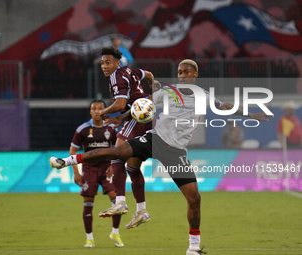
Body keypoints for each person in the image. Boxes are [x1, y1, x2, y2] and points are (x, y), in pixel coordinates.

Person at [50, 59, 273, 255]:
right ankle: (67, 161)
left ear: (195, 74)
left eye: (187, 72)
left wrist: (252, 114)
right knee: (119, 153)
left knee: (194, 199)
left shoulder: (203, 96)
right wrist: (123, 117)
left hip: (176, 152)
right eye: (180, 72)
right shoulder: (167, 92)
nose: (183, 75)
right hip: (155, 140)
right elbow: (142, 104)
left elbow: (224, 106)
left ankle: (193, 248)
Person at [97, 46, 154, 229]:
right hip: (147, 115)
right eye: (102, 63)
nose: (104, 66)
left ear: (116, 62)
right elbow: (150, 75)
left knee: (116, 154)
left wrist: (101, 112)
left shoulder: (116, 76)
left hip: (136, 116)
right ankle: (142, 211)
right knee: (132, 166)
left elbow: (120, 103)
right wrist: (152, 91)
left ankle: (120, 202)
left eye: (108, 62)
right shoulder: (131, 70)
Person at [68, 99, 123, 248]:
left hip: (107, 169)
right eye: (94, 108)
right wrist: (76, 172)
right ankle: (89, 238)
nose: (97, 111)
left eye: (100, 108)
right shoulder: (83, 129)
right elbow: (73, 151)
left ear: (106, 111)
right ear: (90, 111)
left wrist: (114, 164)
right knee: (88, 204)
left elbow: (119, 148)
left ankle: (115, 232)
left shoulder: (112, 128)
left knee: (117, 202)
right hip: (89, 170)